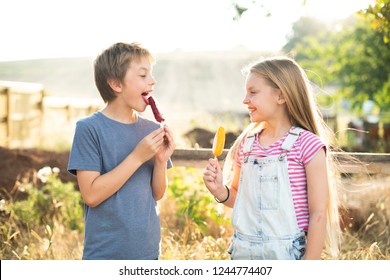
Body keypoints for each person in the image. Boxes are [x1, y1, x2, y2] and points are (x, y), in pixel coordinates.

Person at [203, 56, 341, 260]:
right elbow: (238, 198)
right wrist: (219, 191)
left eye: (253, 92)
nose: (245, 100)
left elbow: (318, 214)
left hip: (288, 255)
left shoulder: (307, 145)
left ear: (281, 96)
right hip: (244, 253)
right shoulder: (246, 144)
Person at [67, 42, 175, 260]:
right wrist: (137, 157)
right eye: (143, 75)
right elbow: (91, 195)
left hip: (147, 253)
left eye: (151, 74)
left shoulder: (152, 130)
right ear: (116, 84)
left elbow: (157, 194)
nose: (152, 81)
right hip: (106, 254)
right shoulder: (89, 129)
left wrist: (161, 161)